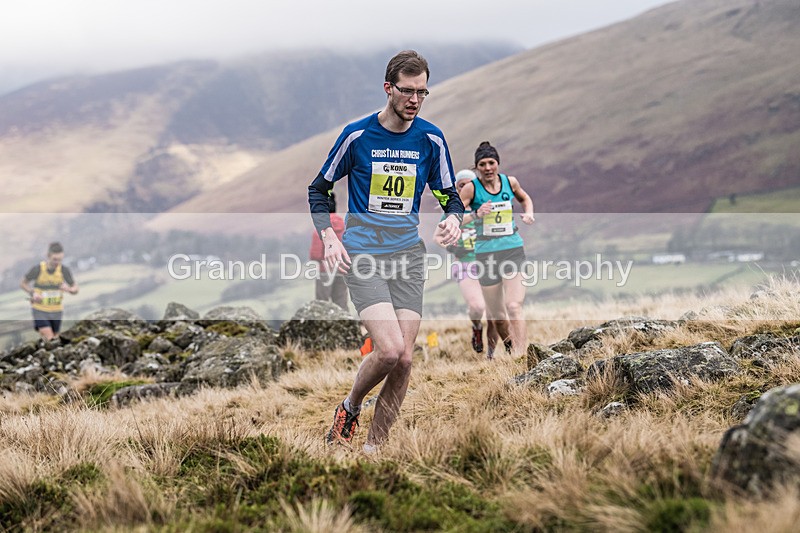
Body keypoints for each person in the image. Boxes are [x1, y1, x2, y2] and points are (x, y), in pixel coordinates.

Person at [308, 50, 463, 450]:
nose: (415, 99)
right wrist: (329, 237)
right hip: (363, 254)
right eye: (408, 91)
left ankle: (375, 448)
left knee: (406, 359)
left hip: (408, 255)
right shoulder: (357, 136)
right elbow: (319, 189)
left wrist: (454, 218)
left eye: (422, 92)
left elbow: (449, 194)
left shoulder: (430, 138)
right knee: (390, 350)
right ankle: (350, 406)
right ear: (388, 88)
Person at [458, 141, 534, 358]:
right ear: (477, 167)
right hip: (486, 254)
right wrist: (476, 214)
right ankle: (510, 348)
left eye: (491, 162)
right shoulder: (472, 189)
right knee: (498, 316)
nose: (488, 168)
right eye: (482, 164)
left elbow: (524, 198)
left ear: (497, 163)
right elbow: (455, 216)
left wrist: (529, 213)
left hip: (512, 249)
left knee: (514, 306)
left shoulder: (510, 182)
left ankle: (520, 356)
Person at [433, 169, 499, 354]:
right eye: (461, 185)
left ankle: (491, 355)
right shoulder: (452, 213)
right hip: (464, 264)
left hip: (489, 263)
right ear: (456, 188)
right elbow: (437, 237)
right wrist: (452, 248)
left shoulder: (486, 207)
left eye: (469, 184)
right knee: (477, 307)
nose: (465, 188)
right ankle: (476, 326)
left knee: (493, 313)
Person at [20, 242, 79, 341]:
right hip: (40, 309)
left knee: (56, 339)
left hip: (57, 310)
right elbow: (23, 283)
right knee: (50, 338)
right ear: (48, 256)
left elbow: (75, 289)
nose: (57, 262)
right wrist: (33, 293)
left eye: (60, 260)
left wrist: (69, 289)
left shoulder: (64, 270)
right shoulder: (37, 269)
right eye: (55, 259)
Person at [308, 192, 349, 310]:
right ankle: (345, 321)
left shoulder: (321, 228)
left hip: (325, 269)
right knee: (341, 301)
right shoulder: (344, 226)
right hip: (342, 268)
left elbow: (315, 254)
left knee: (322, 302)